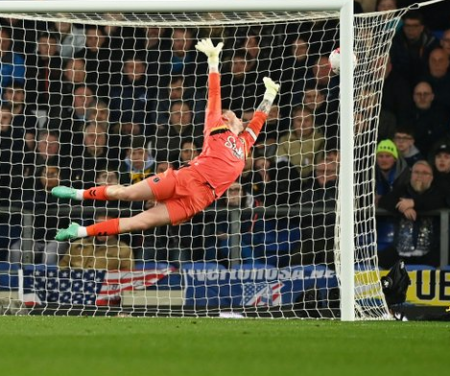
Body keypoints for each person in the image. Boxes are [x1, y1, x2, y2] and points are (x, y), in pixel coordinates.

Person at [52, 38, 280, 242]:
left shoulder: (245, 144)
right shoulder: (216, 127)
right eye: (228, 114)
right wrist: (213, 61)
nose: (232, 115)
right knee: (127, 193)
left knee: (140, 222)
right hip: (185, 178)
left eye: (235, 116)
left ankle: (80, 231)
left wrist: (270, 94)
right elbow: (214, 94)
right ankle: (78, 193)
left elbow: (259, 119)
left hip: (198, 199)